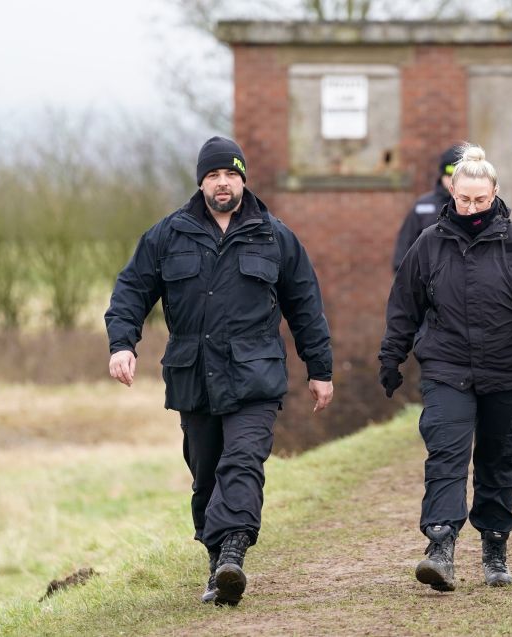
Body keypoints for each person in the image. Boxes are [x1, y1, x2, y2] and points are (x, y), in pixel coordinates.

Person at [104, 136, 334, 606]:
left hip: (256, 376)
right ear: (201, 182)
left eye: (230, 174)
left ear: (243, 180)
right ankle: (217, 562)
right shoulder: (167, 235)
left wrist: (320, 368)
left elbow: (306, 305)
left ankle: (234, 549)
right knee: (206, 474)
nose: (222, 183)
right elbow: (131, 292)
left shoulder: (275, 236)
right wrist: (122, 344)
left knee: (242, 461)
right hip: (195, 377)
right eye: (213, 175)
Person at [378, 143, 512, 591]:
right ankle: (440, 546)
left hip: (508, 368)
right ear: (452, 192)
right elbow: (404, 304)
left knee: (499, 458)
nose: (472, 207)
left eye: (480, 199)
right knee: (446, 453)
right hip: (447, 367)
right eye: (464, 199)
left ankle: (495, 543)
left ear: (495, 192)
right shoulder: (430, 243)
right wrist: (391, 355)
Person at [392, 145, 458, 272]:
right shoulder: (423, 206)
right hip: (426, 279)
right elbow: (405, 244)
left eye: (457, 176)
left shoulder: (474, 206)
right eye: (449, 176)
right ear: (442, 175)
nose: (452, 181)